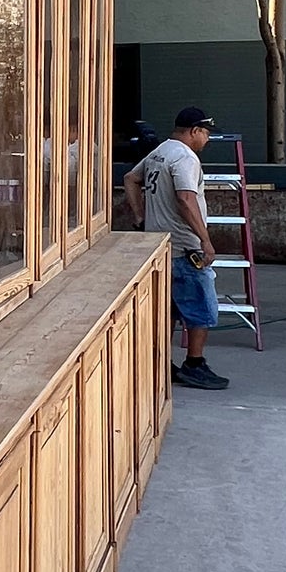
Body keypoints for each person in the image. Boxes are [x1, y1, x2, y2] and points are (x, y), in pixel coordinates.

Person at [124, 106, 229, 391]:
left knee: (168, 309)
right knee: (201, 309)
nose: (207, 139)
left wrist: (141, 217)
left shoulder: (161, 152)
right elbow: (185, 198)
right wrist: (205, 240)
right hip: (185, 247)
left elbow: (130, 179)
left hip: (160, 246)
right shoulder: (184, 157)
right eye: (205, 133)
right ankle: (194, 364)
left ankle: (161, 363)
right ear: (194, 131)